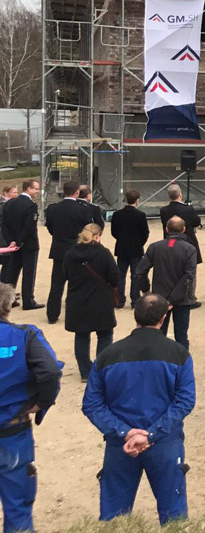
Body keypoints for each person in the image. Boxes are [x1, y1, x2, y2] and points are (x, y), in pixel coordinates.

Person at [82, 294, 194, 525]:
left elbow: (92, 404)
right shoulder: (179, 354)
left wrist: (125, 432)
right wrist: (151, 434)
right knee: (174, 517)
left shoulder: (107, 355)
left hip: (121, 444)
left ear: (136, 317)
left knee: (115, 518)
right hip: (164, 442)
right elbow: (185, 401)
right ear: (163, 318)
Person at [0, 283, 62, 533]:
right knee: (17, 506)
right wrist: (41, 403)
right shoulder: (25, 336)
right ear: (8, 306)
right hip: (12, 431)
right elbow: (50, 372)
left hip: (12, 431)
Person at [63, 223, 119, 381]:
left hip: (77, 298)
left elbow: (65, 274)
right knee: (105, 334)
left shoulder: (70, 254)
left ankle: (85, 371)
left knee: (81, 335)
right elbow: (114, 277)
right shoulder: (103, 253)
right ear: (97, 236)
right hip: (101, 299)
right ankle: (101, 368)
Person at [135, 217, 198, 350]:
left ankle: (157, 359)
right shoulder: (190, 249)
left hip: (160, 297)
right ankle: (181, 360)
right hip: (182, 298)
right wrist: (173, 299)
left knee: (157, 334)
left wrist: (146, 290)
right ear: (184, 229)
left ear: (166, 229)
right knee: (181, 336)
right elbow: (188, 277)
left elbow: (140, 271)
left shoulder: (155, 247)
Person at [44, 180, 93, 323]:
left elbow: (50, 227)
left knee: (56, 285)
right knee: (78, 284)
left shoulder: (52, 208)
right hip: (77, 250)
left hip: (59, 249)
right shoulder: (83, 209)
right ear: (77, 192)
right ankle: (76, 313)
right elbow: (88, 229)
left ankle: (52, 314)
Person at [1, 180, 41, 311]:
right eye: (36, 189)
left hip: (13, 245)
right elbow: (29, 227)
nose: (37, 191)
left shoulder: (10, 203)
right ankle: (28, 301)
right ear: (28, 189)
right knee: (29, 273)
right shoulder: (31, 205)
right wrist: (19, 241)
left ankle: (9, 300)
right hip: (28, 244)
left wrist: (11, 241)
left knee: (12, 272)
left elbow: (4, 224)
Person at [110, 189, 150, 309]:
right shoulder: (140, 215)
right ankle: (135, 300)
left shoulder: (117, 214)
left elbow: (114, 231)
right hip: (136, 248)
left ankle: (120, 300)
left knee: (120, 275)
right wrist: (139, 243)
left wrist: (121, 239)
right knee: (135, 275)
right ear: (137, 200)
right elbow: (145, 232)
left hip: (122, 247)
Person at [157, 184, 202, 265]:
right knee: (189, 266)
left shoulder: (164, 210)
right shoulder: (188, 209)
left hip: (170, 242)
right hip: (187, 241)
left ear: (168, 195)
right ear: (180, 194)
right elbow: (196, 222)